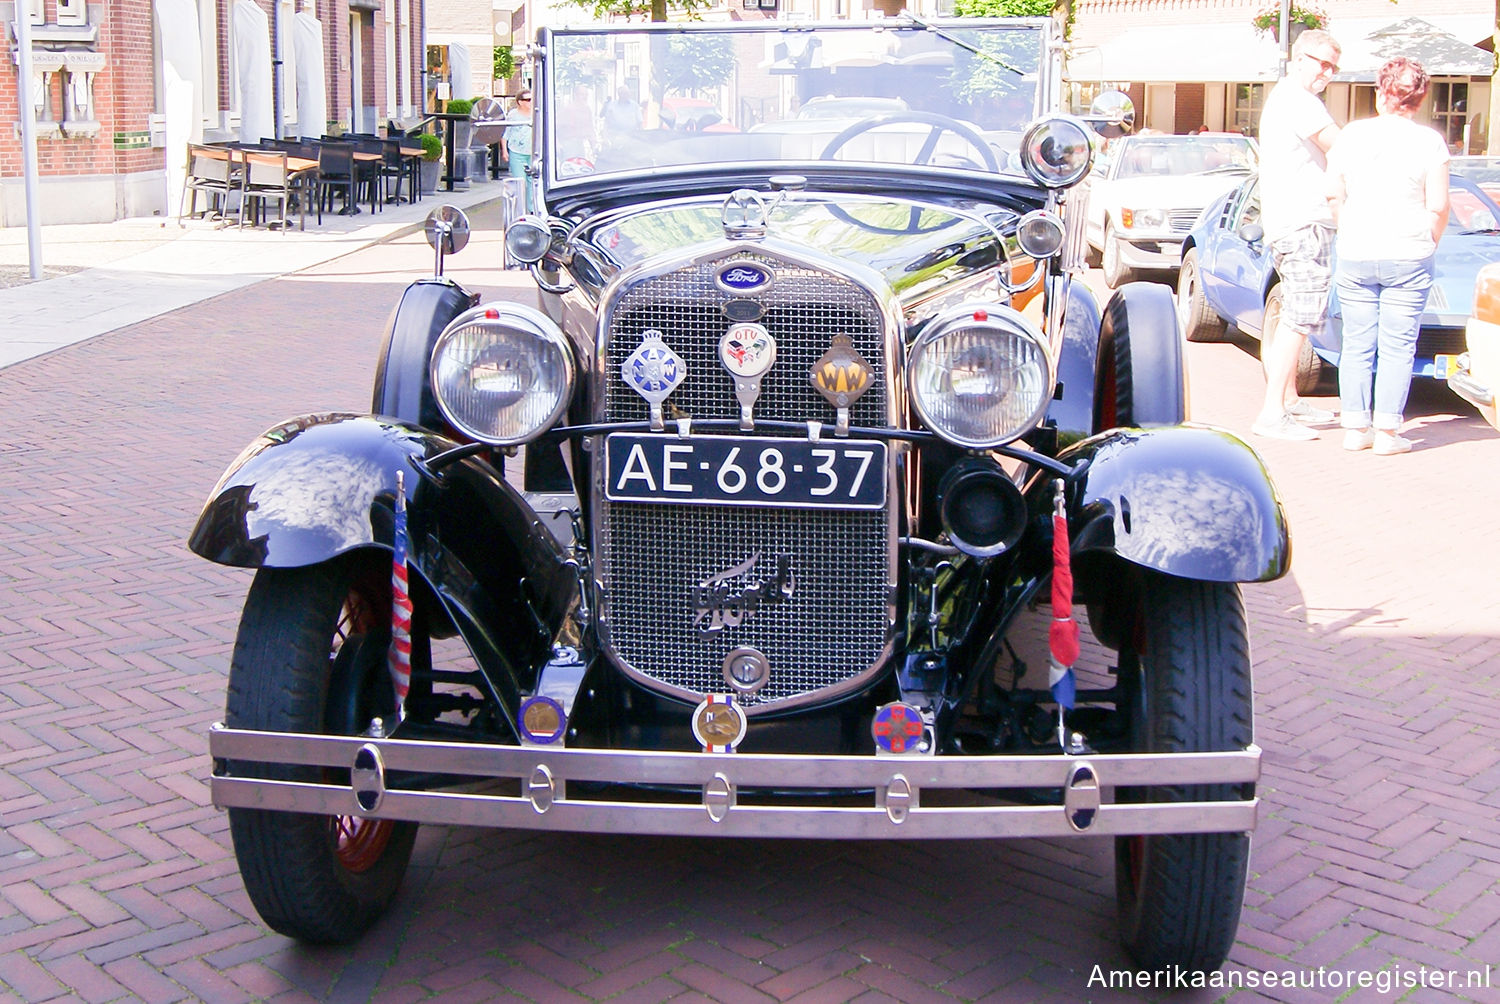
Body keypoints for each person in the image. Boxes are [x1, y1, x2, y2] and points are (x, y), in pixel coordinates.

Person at [1326, 58, 1449, 455]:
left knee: (1358, 341)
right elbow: (1439, 205)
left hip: (1357, 250)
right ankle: (1388, 433)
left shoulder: (1352, 135)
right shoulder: (1429, 141)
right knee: (1398, 345)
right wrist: (1429, 240)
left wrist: (1347, 230)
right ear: (1420, 98)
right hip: (1409, 251)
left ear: (1380, 93)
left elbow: (1334, 193)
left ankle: (1355, 427)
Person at [1251, 29, 1343, 441]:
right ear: (1297, 57)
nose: (1326, 72)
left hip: (1290, 220)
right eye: (1321, 62)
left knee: (1294, 309)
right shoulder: (1300, 101)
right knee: (1299, 317)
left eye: (1333, 66)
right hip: (1303, 221)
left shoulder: (1286, 98)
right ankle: (1272, 413)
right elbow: (1340, 146)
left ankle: (1287, 399)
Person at [505, 89, 534, 213]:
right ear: (520, 102)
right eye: (528, 100)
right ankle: (520, 212)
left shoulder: (536, 113)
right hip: (517, 151)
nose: (530, 102)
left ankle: (533, 210)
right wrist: (504, 151)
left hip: (533, 152)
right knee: (520, 183)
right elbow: (505, 132)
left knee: (533, 183)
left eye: (532, 99)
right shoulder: (513, 115)